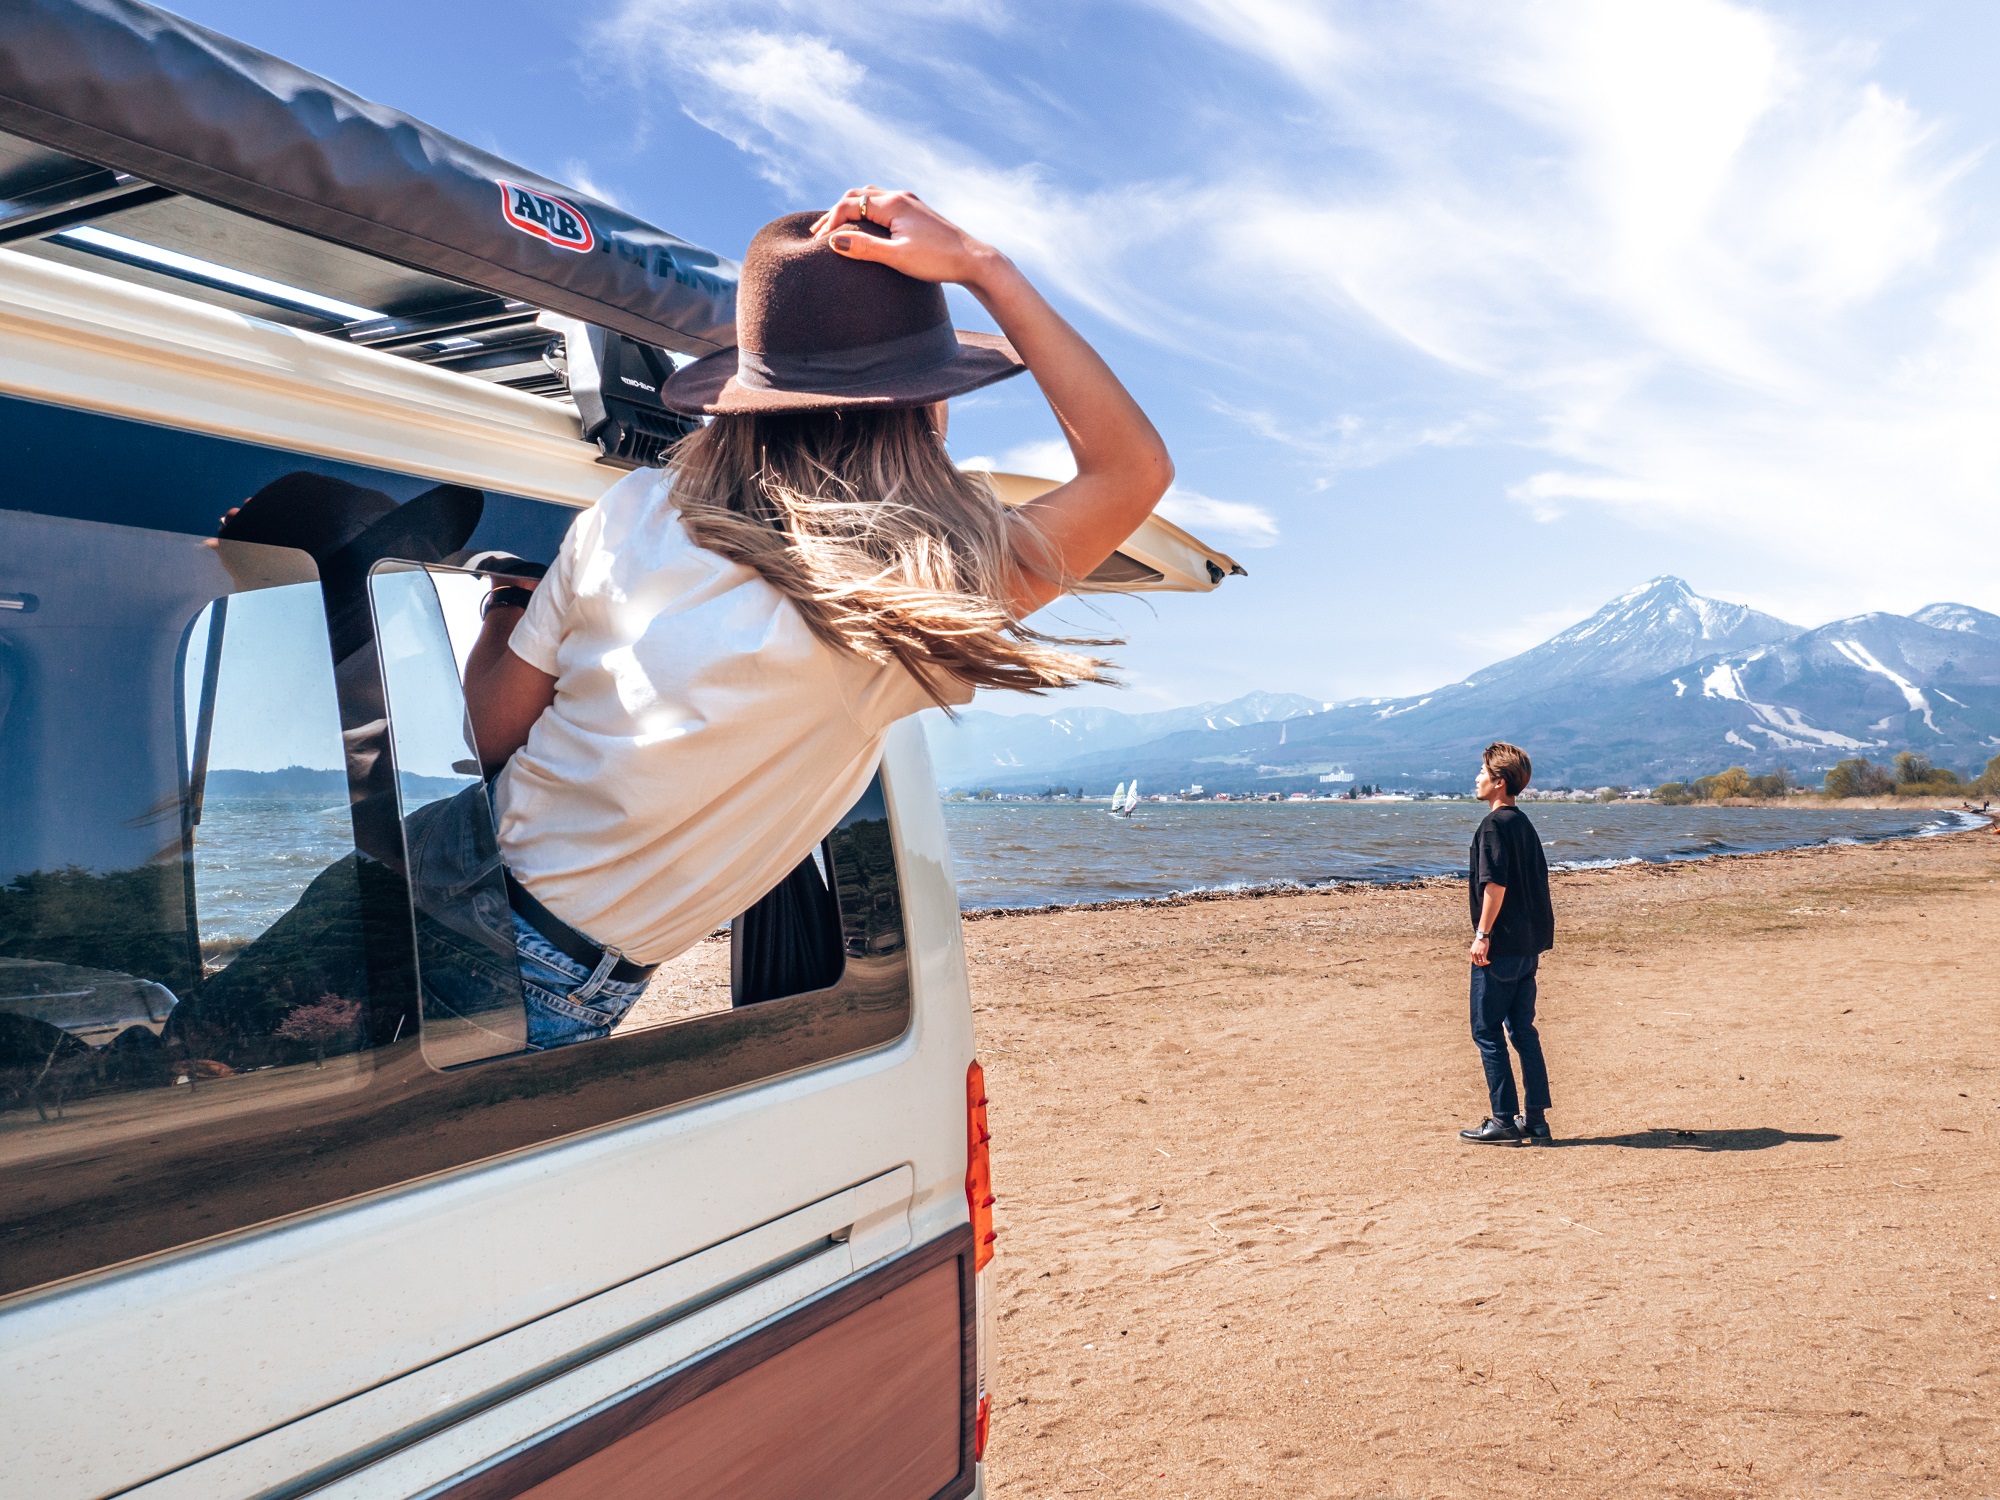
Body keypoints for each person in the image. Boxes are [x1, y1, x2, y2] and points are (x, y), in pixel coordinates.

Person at [448, 190, 1173, 1048]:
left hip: (434, 863)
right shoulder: (897, 605)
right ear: (921, 412)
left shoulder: (635, 507)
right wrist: (985, 267)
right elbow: (1131, 470)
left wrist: (507, 600)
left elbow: (493, 734)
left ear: (750, 393)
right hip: (539, 966)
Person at [1459, 742, 1557, 1146]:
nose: (1477, 779)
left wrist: (1483, 935)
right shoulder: (1524, 824)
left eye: (1482, 772)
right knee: (1523, 1031)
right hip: (1529, 947)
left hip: (1501, 947)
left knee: (1486, 1031)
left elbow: (1494, 886)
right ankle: (1534, 1120)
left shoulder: (1494, 826)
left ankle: (1502, 1119)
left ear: (1499, 782)